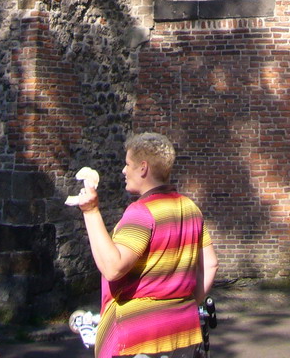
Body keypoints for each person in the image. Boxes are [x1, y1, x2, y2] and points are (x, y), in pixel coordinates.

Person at [76, 132, 218, 358]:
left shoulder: (141, 213)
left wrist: (91, 212)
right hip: (182, 333)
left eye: (128, 164)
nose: (123, 170)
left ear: (143, 168)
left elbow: (113, 268)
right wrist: (189, 305)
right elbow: (210, 264)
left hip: (139, 338)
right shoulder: (190, 208)